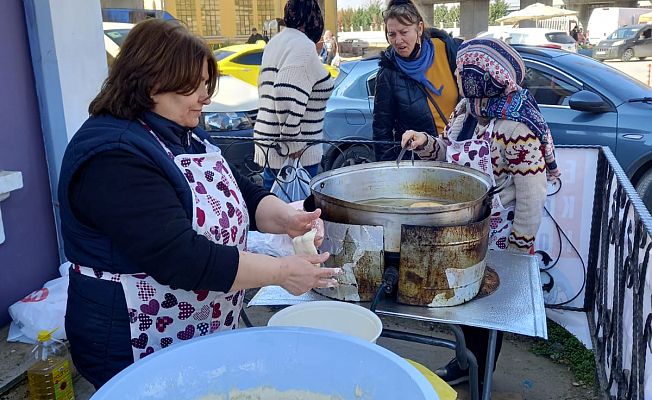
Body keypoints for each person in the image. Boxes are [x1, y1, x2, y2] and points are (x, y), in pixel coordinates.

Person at [58, 19, 339, 389]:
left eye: (207, 84)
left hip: (190, 327)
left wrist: (288, 218)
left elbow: (241, 192)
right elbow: (182, 258)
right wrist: (282, 272)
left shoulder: (184, 133)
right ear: (151, 81)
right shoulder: (113, 155)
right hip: (127, 340)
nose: (206, 97)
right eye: (194, 86)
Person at [401, 37, 561, 389]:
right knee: (463, 304)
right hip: (461, 229)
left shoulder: (516, 127)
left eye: (468, 71)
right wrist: (426, 143)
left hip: (500, 237)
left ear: (486, 76)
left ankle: (480, 377)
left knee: (488, 315)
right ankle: (463, 363)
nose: (462, 76)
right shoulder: (467, 110)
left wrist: (518, 251)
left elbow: (532, 197)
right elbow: (448, 153)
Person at [253, 0, 334, 190]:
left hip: (271, 150)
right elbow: (283, 91)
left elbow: (269, 86)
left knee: (271, 211)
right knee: (298, 214)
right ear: (312, 18)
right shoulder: (302, 46)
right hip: (297, 157)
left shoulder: (275, 43)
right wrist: (294, 142)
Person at [373, 0, 461, 162]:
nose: (398, 41)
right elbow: (382, 132)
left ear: (419, 28)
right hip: (420, 163)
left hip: (459, 153)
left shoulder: (449, 50)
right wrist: (387, 174)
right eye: (392, 34)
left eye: (404, 32)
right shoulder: (388, 73)